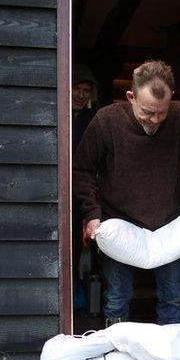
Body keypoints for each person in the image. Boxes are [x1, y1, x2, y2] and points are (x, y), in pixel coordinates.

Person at [73, 60, 180, 326]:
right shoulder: (106, 120)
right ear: (131, 97)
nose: (155, 120)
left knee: (173, 299)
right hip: (119, 223)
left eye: (161, 113)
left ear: (171, 99)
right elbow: (81, 168)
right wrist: (91, 213)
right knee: (117, 299)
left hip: (168, 225)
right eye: (148, 112)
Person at [71, 64, 98, 311]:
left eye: (86, 90)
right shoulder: (57, 113)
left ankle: (80, 290)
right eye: (77, 88)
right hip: (61, 188)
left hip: (85, 189)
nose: (81, 94)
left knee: (83, 243)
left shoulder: (93, 120)